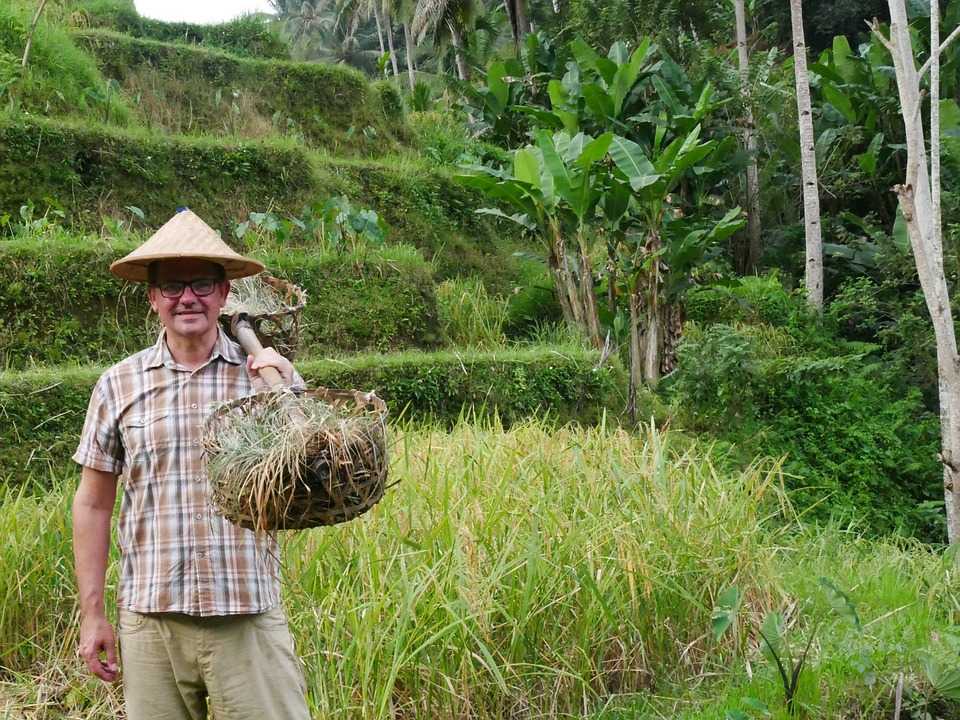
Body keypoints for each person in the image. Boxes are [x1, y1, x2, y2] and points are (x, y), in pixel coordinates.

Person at [71, 208, 311, 720]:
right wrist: (93, 615)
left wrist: (290, 387)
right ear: (153, 297)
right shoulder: (119, 384)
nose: (188, 297)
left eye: (202, 283)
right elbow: (92, 503)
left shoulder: (263, 379)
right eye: (173, 285)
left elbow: (317, 468)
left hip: (245, 614)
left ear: (224, 295)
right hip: (151, 622)